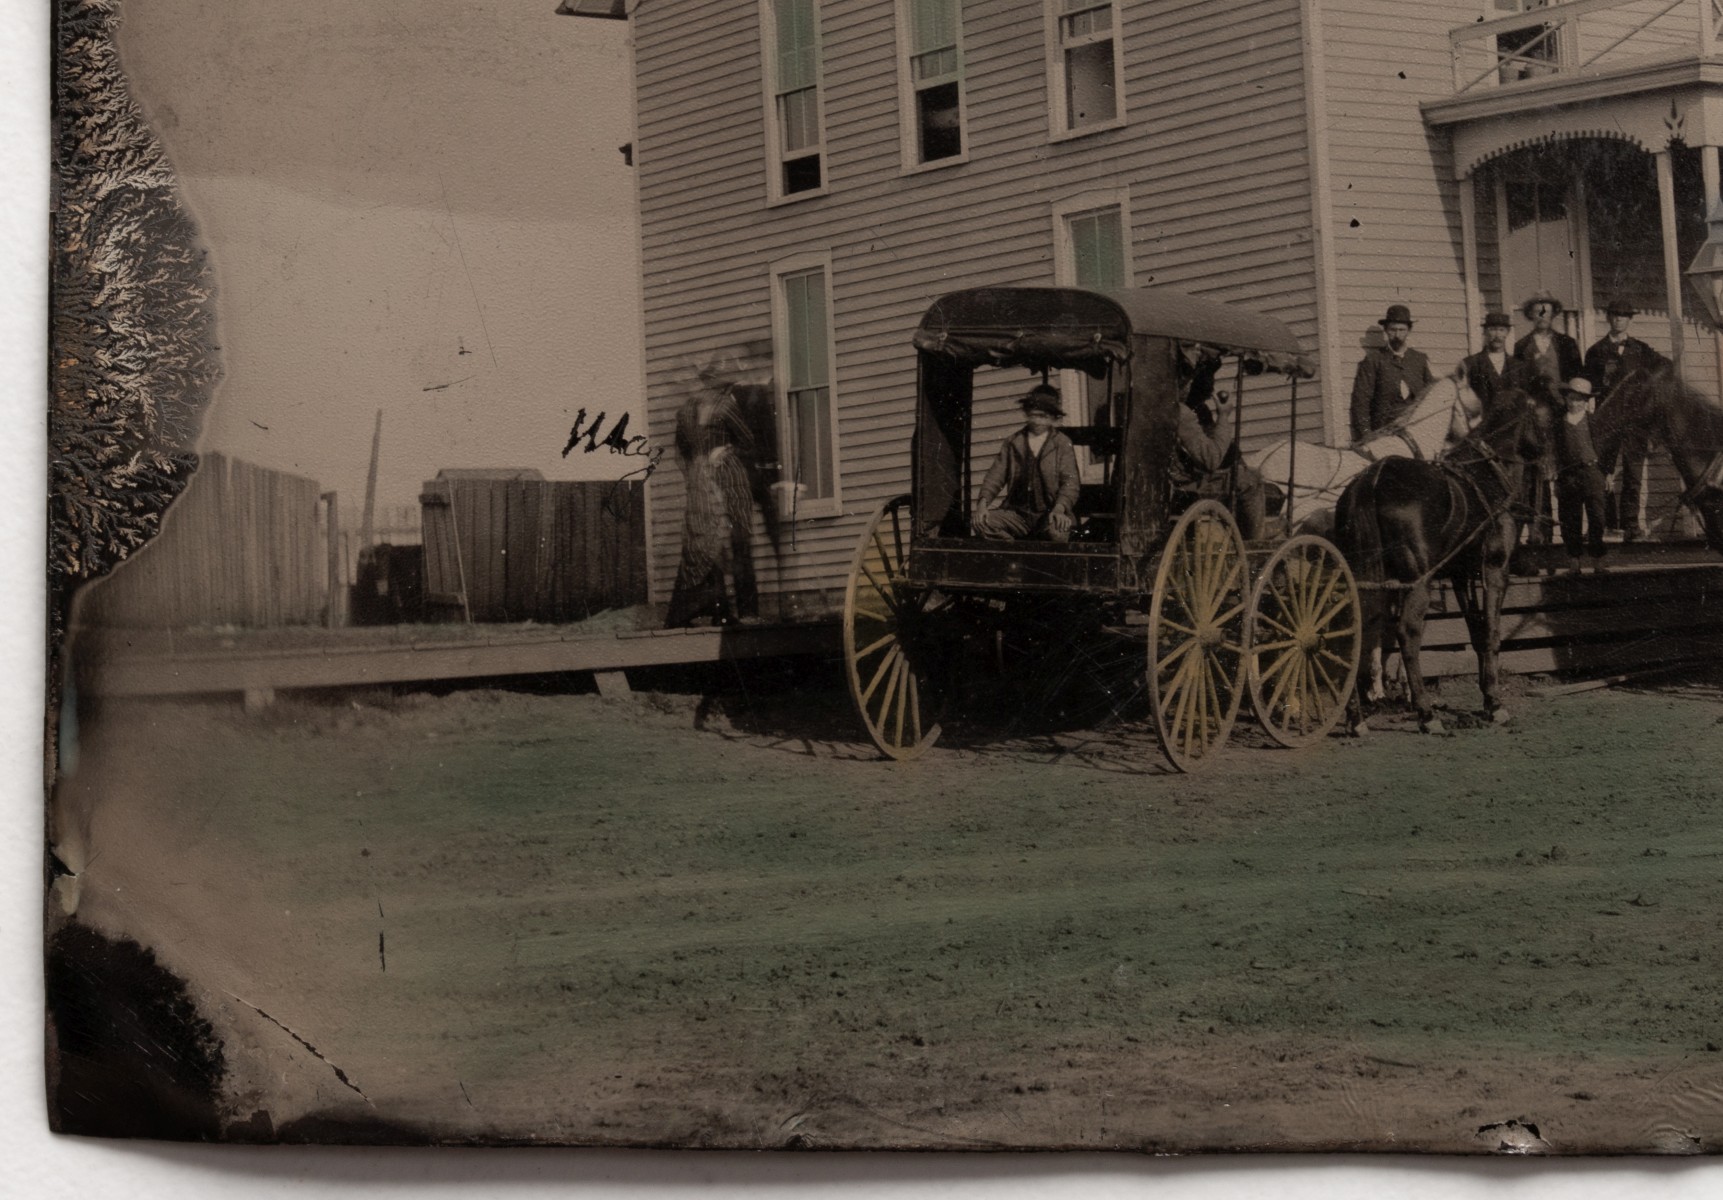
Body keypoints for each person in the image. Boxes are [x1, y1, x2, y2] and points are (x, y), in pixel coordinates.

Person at [664, 355, 761, 627]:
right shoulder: (724, 406)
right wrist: (727, 450)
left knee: (703, 542)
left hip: (699, 483)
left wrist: (694, 476)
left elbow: (679, 455)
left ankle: (717, 609)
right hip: (728, 481)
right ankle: (746, 611)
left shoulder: (684, 411)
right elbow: (748, 442)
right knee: (738, 540)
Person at [1583, 299, 1664, 541]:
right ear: (1608, 318)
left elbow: (1662, 370)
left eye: (1623, 316)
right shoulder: (1595, 352)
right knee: (1602, 473)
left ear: (1630, 320)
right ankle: (1606, 524)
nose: (1618, 319)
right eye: (1614, 315)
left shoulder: (1641, 350)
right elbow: (1588, 387)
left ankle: (1630, 526)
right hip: (1606, 422)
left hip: (1635, 422)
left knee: (1632, 474)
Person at [973, 383, 1081, 541]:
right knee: (982, 523)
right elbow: (995, 476)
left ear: (1053, 418)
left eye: (1043, 416)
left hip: (1049, 514)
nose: (1037, 421)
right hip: (1017, 514)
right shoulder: (1013, 442)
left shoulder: (1062, 443)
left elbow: (1070, 484)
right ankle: (1014, 558)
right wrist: (982, 505)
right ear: (1026, 414)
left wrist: (1059, 509)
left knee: (1058, 532)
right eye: (1033, 415)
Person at [1171, 381, 1266, 540]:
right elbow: (1211, 458)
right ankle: (1253, 543)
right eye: (1185, 381)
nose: (1187, 386)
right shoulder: (1179, 412)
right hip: (1187, 489)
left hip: (1172, 483)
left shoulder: (1146, 407)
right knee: (1251, 479)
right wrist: (1223, 416)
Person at [1350, 304, 1435, 442]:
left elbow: (1432, 397)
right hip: (1384, 433)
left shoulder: (1419, 360)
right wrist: (1366, 434)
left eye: (1401, 330)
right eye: (1392, 330)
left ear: (1409, 331)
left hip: (1416, 433)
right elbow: (1361, 401)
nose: (1397, 335)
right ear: (1386, 330)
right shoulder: (1373, 361)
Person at [1554, 378, 1608, 574]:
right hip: (1568, 475)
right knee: (1570, 519)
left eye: (1579, 400)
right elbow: (1554, 452)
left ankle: (1597, 559)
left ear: (1586, 401)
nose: (1574, 403)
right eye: (1571, 399)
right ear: (1565, 399)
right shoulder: (1559, 424)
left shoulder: (1594, 421)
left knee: (1597, 517)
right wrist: (1556, 475)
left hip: (1592, 472)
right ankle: (1574, 562)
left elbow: (1606, 449)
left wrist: (1606, 473)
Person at [1456, 311, 1522, 426]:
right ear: (1485, 332)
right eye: (1492, 329)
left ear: (1507, 332)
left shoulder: (1517, 365)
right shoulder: (1471, 364)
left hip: (1510, 428)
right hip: (1481, 428)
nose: (1497, 335)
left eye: (1501, 330)